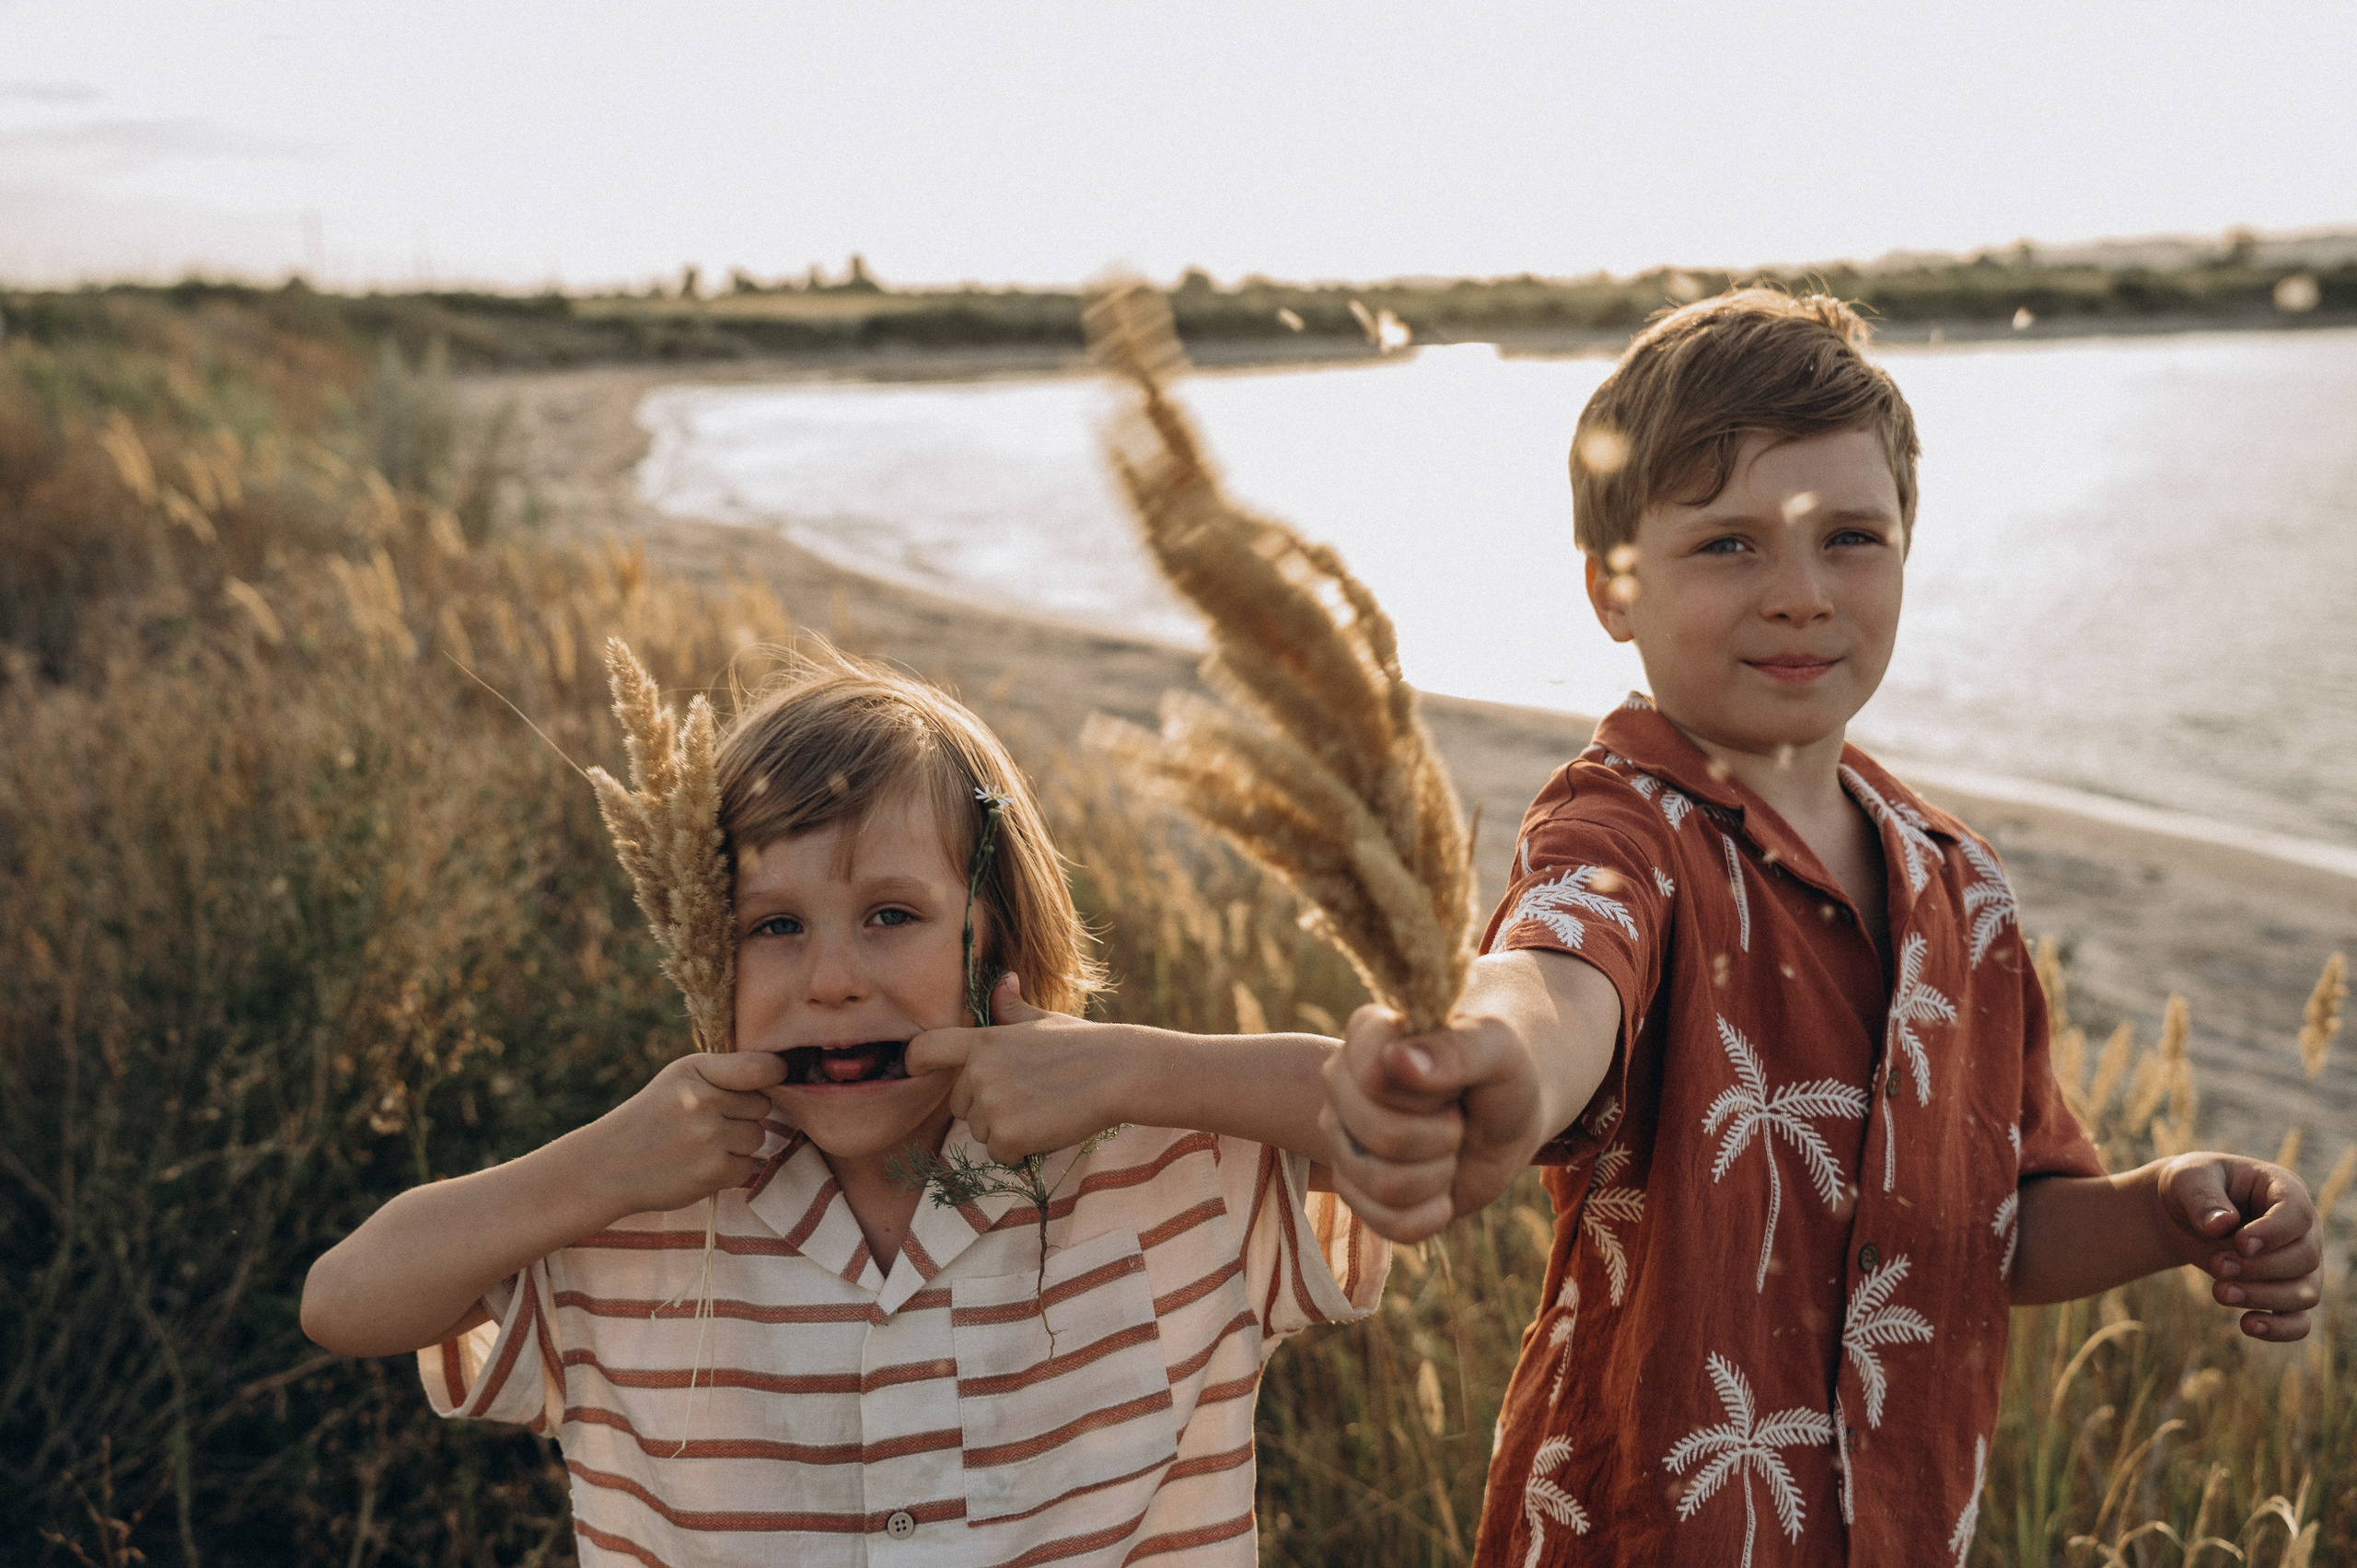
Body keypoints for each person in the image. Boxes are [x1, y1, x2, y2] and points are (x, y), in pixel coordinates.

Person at [1318, 289, 2323, 1566]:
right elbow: (1555, 978)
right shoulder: (1623, 828)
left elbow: (1998, 1227)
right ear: (1611, 588)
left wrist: (2163, 1211)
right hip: (1647, 1532)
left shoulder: (1966, 888)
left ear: (1907, 553)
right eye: (1729, 544)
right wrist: (1497, 1049)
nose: (1800, 594)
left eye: (1851, 537)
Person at [302, 653, 1387, 1567]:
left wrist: (1138, 1070)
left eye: (890, 914)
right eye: (772, 926)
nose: (830, 980)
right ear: (700, 950)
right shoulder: (628, 1211)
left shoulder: (1165, 1164)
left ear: (998, 936)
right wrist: (599, 1168)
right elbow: (343, 1301)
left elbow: (1406, 1116)